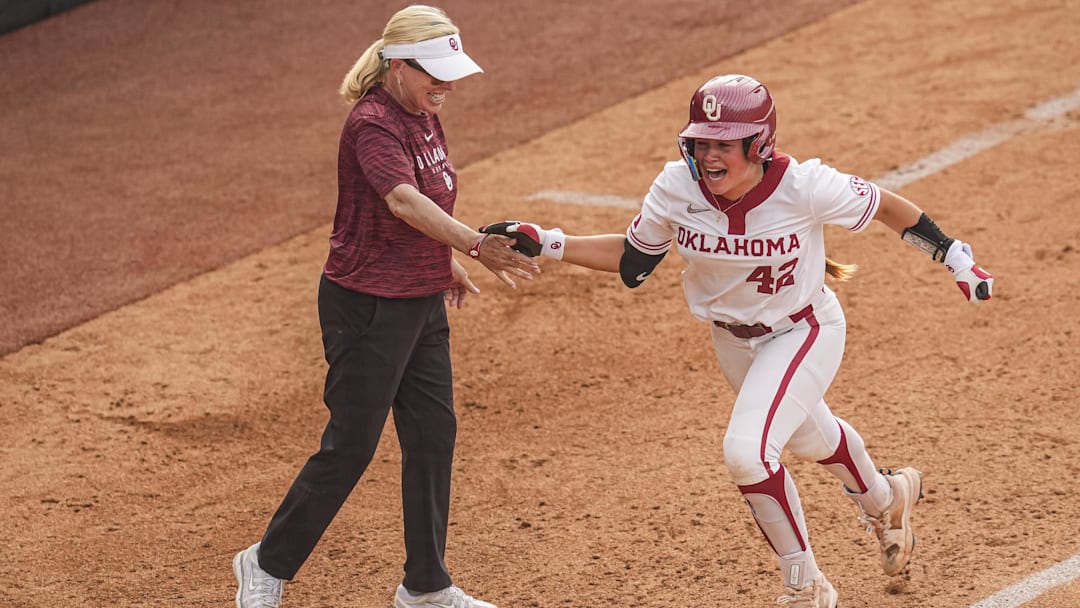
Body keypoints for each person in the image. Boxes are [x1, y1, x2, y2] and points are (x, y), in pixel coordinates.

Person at [480, 74, 993, 607]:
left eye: (723, 144)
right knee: (810, 439)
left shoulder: (805, 186)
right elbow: (635, 262)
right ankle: (888, 499)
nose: (708, 156)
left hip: (804, 330)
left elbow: (886, 206)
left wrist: (954, 255)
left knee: (748, 453)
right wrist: (549, 242)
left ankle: (806, 585)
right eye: (701, 142)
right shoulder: (677, 187)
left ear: (758, 144)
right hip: (732, 341)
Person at [232, 6, 540, 608]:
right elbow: (401, 200)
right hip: (367, 305)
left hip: (419, 299)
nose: (446, 86)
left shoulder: (421, 112)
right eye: (434, 73)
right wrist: (474, 246)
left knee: (432, 435)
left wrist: (441, 262)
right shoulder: (372, 122)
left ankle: (425, 586)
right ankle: (264, 563)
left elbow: (424, 196)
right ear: (397, 65)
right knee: (351, 443)